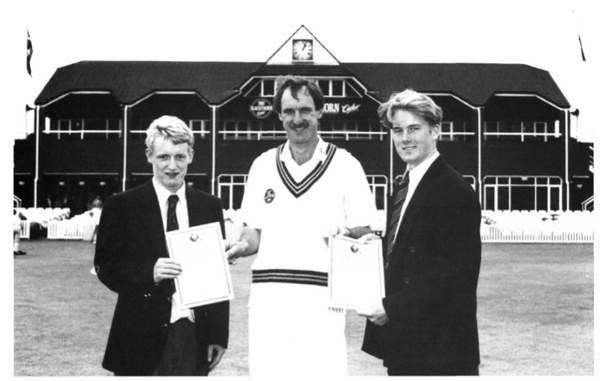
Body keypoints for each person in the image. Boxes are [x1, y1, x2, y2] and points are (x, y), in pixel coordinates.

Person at [226, 76, 377, 376]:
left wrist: (346, 237)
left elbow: (366, 234)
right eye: (290, 111)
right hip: (269, 300)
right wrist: (240, 246)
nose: (298, 119)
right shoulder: (262, 165)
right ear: (279, 115)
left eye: (305, 110)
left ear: (320, 112)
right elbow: (253, 233)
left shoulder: (346, 165)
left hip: (321, 300)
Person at [94, 115, 229, 376]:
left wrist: (218, 334)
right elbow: (105, 266)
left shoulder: (209, 206)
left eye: (180, 156)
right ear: (149, 155)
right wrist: (149, 272)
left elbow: (217, 276)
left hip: (192, 333)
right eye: (163, 157)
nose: (172, 166)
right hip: (138, 334)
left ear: (191, 155)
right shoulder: (121, 205)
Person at [359, 89, 481, 375]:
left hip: (441, 350)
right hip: (406, 344)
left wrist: (392, 308)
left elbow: (454, 275)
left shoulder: (454, 191)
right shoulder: (404, 186)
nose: (404, 138)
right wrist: (362, 246)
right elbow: (403, 253)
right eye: (397, 130)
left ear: (435, 130)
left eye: (414, 129)